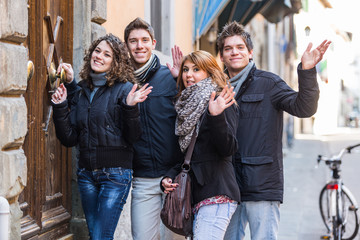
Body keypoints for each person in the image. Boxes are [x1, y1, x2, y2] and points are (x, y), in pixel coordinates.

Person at [217, 22, 331, 240]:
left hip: (261, 184)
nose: (234, 52)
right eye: (228, 48)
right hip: (226, 186)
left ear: (250, 52)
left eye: (240, 47)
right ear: (221, 56)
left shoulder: (269, 83)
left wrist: (307, 71)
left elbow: (304, 108)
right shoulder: (216, 87)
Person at [51, 33, 152, 240]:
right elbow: (69, 138)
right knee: (96, 235)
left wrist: (130, 107)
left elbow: (133, 137)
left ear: (115, 62)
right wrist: (61, 107)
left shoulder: (124, 90)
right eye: (97, 51)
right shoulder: (81, 92)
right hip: (86, 175)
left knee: (99, 237)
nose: (99, 56)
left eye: (107, 54)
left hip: (115, 176)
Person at [161, 50, 241, 240]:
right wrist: (169, 176)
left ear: (210, 72)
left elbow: (228, 149)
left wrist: (217, 116)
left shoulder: (219, 100)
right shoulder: (186, 105)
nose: (189, 74)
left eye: (197, 69)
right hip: (195, 195)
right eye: (186, 69)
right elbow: (187, 154)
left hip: (216, 192)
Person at [124, 18, 184, 240]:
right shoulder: (122, 83)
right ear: (127, 46)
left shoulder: (170, 76)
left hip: (175, 177)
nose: (139, 46)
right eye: (133, 41)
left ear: (153, 43)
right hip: (144, 178)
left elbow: (193, 115)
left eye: (144, 40)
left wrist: (181, 83)